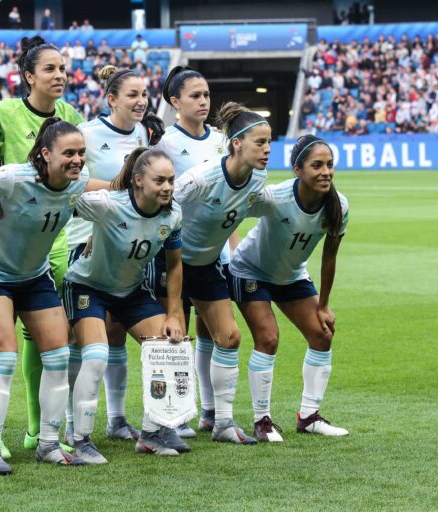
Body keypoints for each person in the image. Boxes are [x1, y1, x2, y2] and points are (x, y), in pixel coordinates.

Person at [0, 118, 107, 474]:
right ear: (45, 154)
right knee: (5, 357)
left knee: (58, 355)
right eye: (68, 153)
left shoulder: (76, 183)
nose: (76, 160)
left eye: (81, 153)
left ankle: (47, 443)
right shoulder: (14, 177)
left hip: (34, 276)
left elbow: (96, 193)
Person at [0, 36, 84, 453]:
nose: (59, 75)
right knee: (0, 338)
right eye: (50, 69)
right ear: (28, 77)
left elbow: (78, 177)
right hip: (8, 246)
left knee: (45, 339)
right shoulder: (2, 113)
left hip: (55, 242)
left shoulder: (70, 114)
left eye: (62, 69)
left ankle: (36, 429)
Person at [64, 64, 164, 446]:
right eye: (133, 95)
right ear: (111, 99)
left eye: (144, 95)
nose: (141, 102)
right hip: (84, 241)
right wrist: (119, 187)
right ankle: (75, 423)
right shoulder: (88, 134)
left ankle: (118, 419)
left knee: (118, 334)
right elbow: (70, 179)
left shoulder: (145, 135)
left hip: (126, 246)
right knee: (85, 340)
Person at [66, 147, 185, 464]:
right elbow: (62, 198)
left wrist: (174, 314)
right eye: (159, 180)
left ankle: (151, 433)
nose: (167, 187)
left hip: (131, 291)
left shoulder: (172, 215)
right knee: (96, 356)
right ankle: (80, 439)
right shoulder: (107, 204)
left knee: (169, 349)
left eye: (171, 180)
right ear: (137, 181)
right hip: (87, 286)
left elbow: (174, 266)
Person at [227, 135, 349, 442]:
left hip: (291, 275)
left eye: (330, 165)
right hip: (249, 270)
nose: (326, 172)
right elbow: (231, 212)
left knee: (322, 334)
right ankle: (262, 420)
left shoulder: (339, 206)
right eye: (317, 165)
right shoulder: (275, 197)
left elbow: (330, 257)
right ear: (297, 170)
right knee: (268, 338)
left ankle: (308, 417)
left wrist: (323, 304)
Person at [173, 102, 271, 445]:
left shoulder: (258, 178)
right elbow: (159, 207)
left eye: (269, 142)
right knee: (174, 343)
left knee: (229, 337)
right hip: (171, 264)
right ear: (237, 144)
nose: (267, 150)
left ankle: (223, 423)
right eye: (260, 143)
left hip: (207, 264)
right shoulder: (200, 178)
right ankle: (169, 421)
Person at [155, 66, 234, 438]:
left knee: (216, 334)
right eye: (194, 96)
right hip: (173, 253)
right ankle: (175, 414)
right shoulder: (165, 143)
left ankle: (211, 412)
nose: (203, 102)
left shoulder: (222, 140)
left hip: (211, 254)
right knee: (176, 334)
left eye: (206, 95)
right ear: (175, 102)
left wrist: (230, 249)